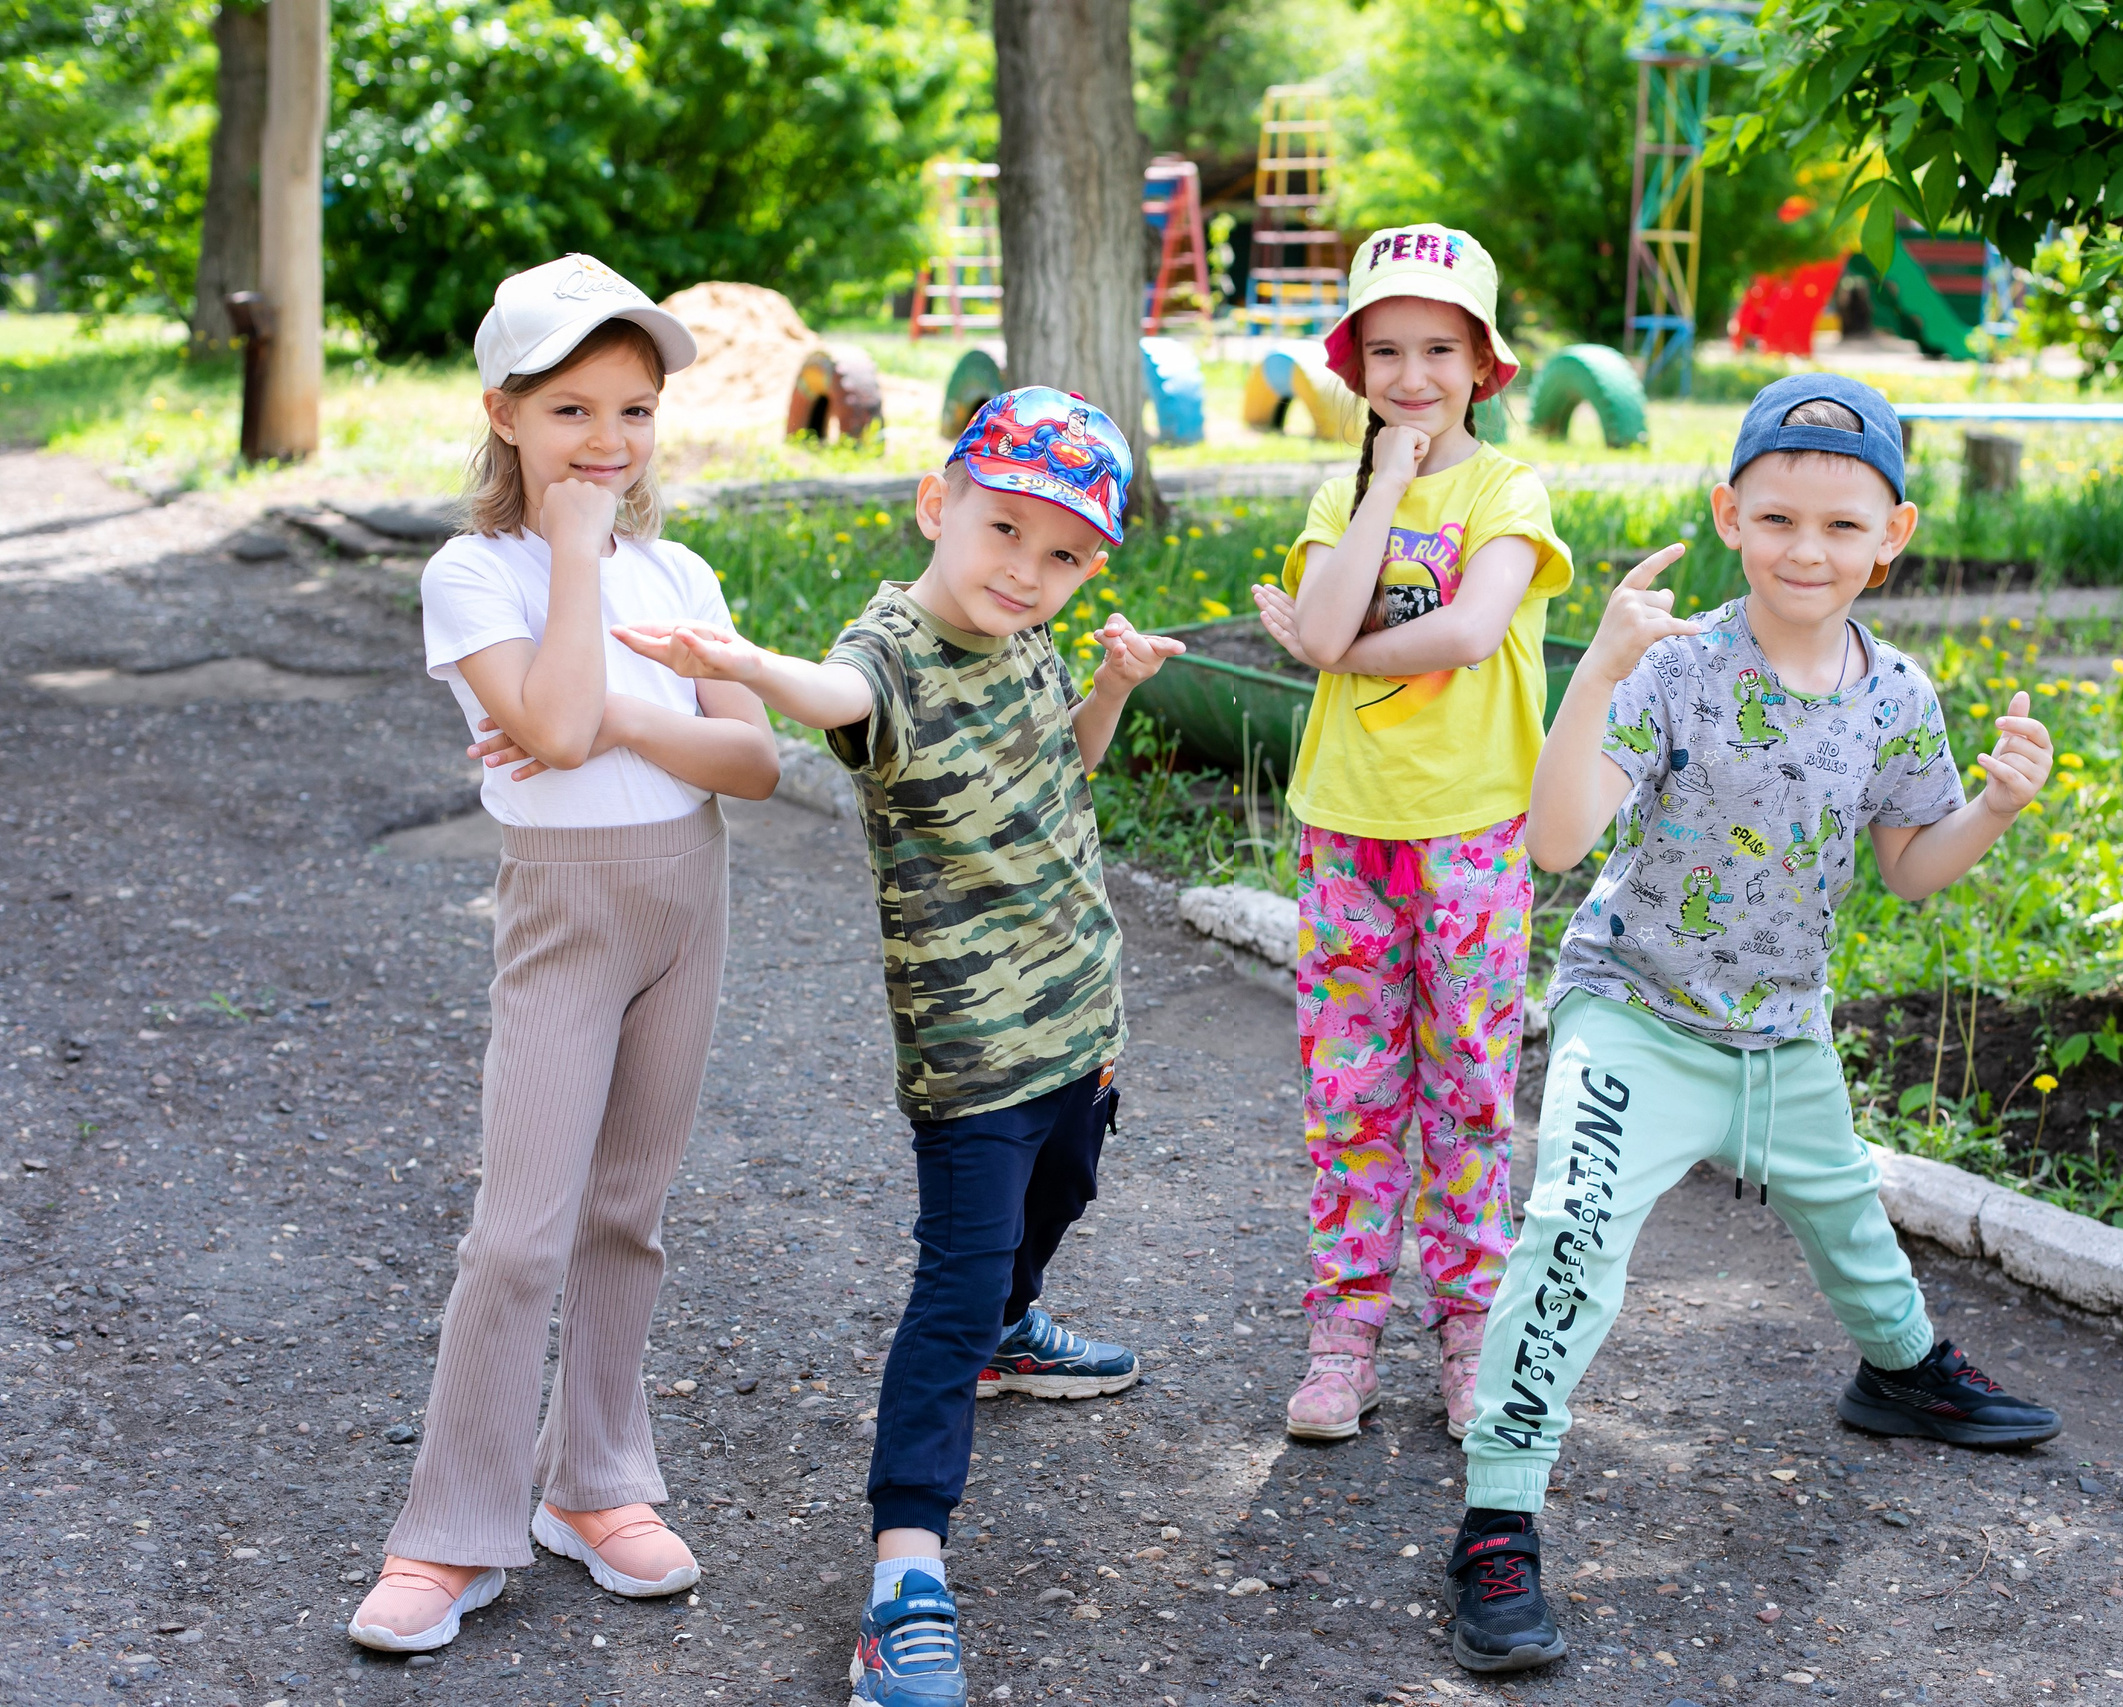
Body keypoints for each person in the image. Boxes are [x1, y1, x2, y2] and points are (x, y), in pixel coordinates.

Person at [1439, 373, 2065, 1674]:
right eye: (1777, 517)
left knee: (1848, 1209)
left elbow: (1910, 864)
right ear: (1729, 511)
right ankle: (1498, 1514)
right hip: (1637, 1015)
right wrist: (1599, 668)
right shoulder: (1675, 669)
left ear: (1894, 535)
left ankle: (1903, 1373)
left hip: (1784, 1032)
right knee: (1571, 1230)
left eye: (1842, 526)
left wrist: (1996, 807)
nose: (1807, 549)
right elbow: (1556, 839)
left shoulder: (1897, 691)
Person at [614, 386, 1182, 1707]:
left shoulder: (1032, 638)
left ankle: (1013, 1329)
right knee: (951, 1282)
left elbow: (1064, 772)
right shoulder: (895, 650)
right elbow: (837, 695)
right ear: (939, 504)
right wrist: (750, 666)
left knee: (1069, 1191)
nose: (1027, 571)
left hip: (1079, 1011)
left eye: (1064, 554)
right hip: (975, 1049)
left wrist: (1103, 685)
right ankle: (904, 1575)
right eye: (1003, 531)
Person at [350, 254, 781, 1654]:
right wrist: (581, 560)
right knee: (520, 1226)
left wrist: (630, 719)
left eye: (636, 410)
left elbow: (753, 759)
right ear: (504, 413)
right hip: (564, 906)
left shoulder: (690, 568)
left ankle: (594, 1482)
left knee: (626, 1212)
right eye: (573, 409)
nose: (608, 441)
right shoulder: (476, 570)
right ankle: (450, 1527)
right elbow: (544, 728)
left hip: (686, 898)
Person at [1249, 224, 1574, 1446]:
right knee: (1352, 1095)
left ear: (1484, 363)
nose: (1412, 377)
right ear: (1354, 368)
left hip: (1470, 834)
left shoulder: (1507, 490)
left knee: (1472, 1093)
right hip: (1346, 834)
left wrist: (1328, 647)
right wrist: (1383, 486)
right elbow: (1332, 613)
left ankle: (1470, 1331)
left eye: (1439, 348)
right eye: (1385, 350)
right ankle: (1343, 1338)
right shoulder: (1343, 492)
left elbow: (1464, 632)